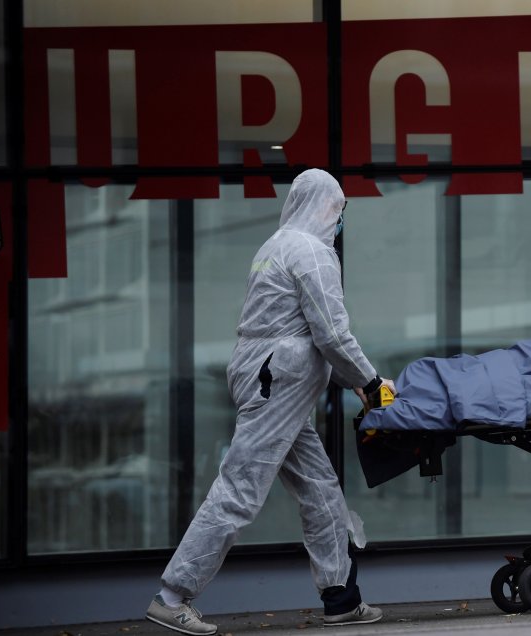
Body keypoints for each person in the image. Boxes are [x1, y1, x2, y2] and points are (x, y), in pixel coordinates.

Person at [146, 169, 393, 635]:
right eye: (339, 209)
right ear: (326, 206)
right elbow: (332, 333)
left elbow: (303, 330)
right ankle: (172, 596)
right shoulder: (312, 253)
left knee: (320, 489)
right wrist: (371, 380)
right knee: (240, 489)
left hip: (269, 379)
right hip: (277, 383)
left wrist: (354, 380)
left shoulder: (274, 246)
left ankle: (340, 598)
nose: (340, 218)